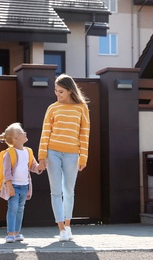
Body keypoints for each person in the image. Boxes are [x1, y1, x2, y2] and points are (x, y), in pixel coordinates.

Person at [38, 74, 90, 242]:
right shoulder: (52, 108)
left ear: (69, 90)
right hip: (52, 152)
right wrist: (42, 156)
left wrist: (83, 158)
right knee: (55, 192)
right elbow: (45, 133)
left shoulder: (81, 108)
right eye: (56, 91)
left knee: (69, 191)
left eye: (60, 91)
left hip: (72, 154)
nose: (57, 94)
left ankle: (68, 226)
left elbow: (84, 134)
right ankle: (61, 229)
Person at [0, 122, 42, 243]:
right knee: (12, 208)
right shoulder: (9, 154)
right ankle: (10, 233)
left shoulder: (28, 151)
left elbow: (33, 166)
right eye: (22, 132)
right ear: (16, 138)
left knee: (20, 209)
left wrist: (40, 167)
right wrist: (9, 186)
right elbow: (6, 172)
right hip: (14, 186)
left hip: (24, 186)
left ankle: (17, 232)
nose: (25, 133)